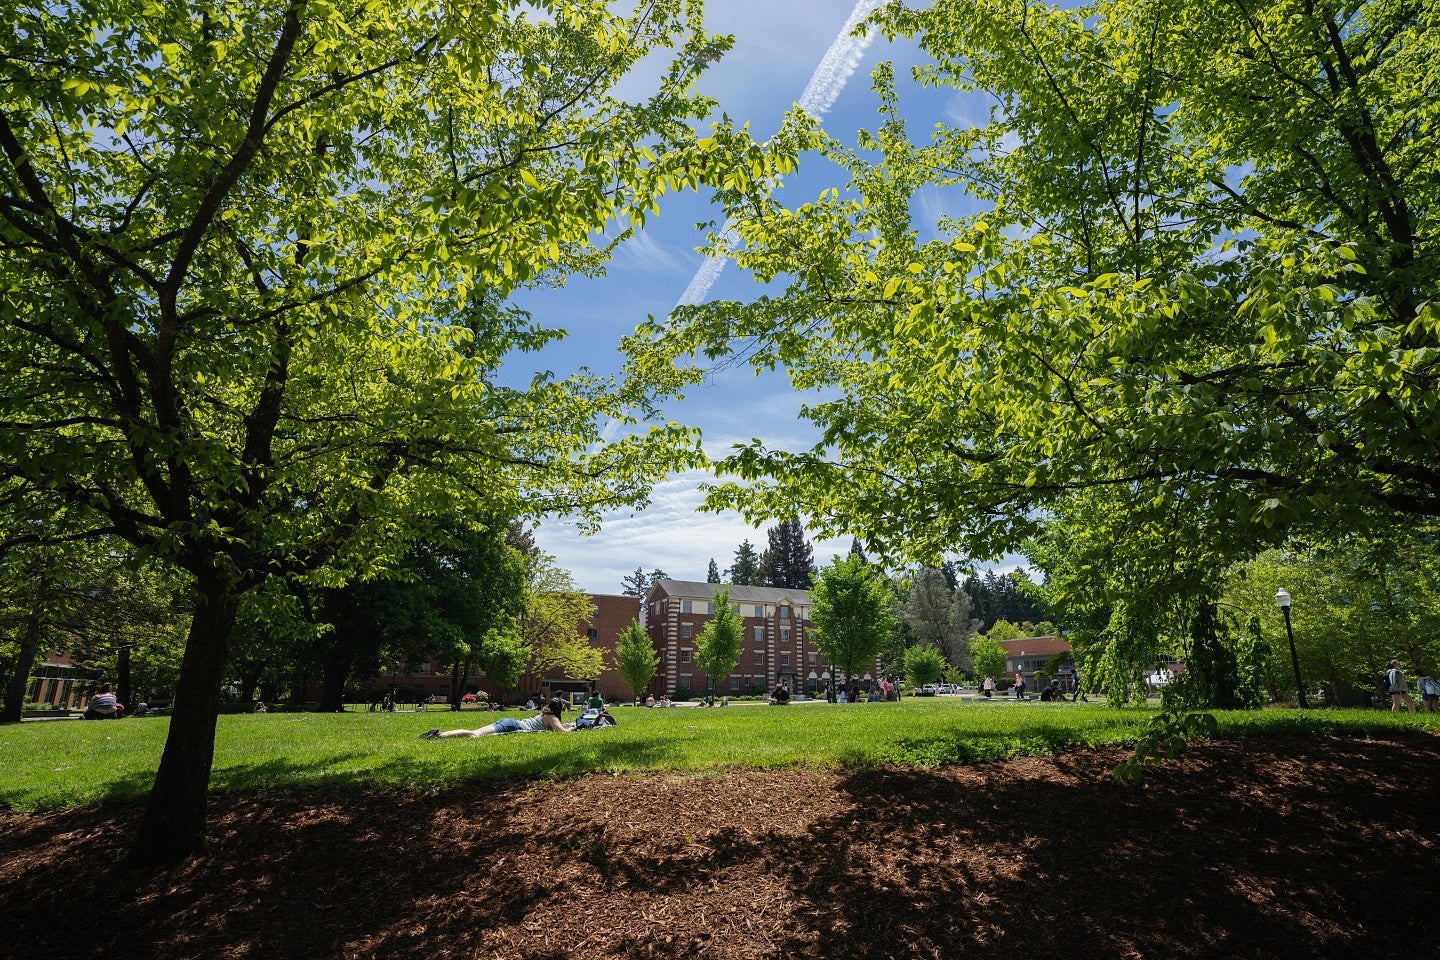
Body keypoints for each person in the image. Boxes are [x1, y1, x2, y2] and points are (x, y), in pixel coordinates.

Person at [420, 697, 569, 739]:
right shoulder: (552, 718)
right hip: (512, 726)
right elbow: (562, 732)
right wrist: (574, 728)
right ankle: (438, 735)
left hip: (509, 722)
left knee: (475, 732)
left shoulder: (544, 713)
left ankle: (439, 734)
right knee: (475, 734)